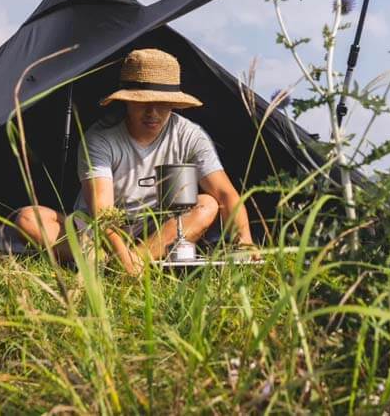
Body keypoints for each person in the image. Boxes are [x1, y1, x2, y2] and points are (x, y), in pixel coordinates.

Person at [15, 48, 256, 274]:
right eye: (142, 102)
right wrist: (120, 251)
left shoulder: (190, 135)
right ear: (127, 101)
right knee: (28, 218)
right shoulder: (101, 139)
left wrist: (244, 241)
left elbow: (225, 194)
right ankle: (102, 259)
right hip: (98, 232)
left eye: (161, 103)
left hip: (158, 230)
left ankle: (137, 260)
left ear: (174, 102)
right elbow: (102, 212)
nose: (152, 112)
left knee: (208, 204)